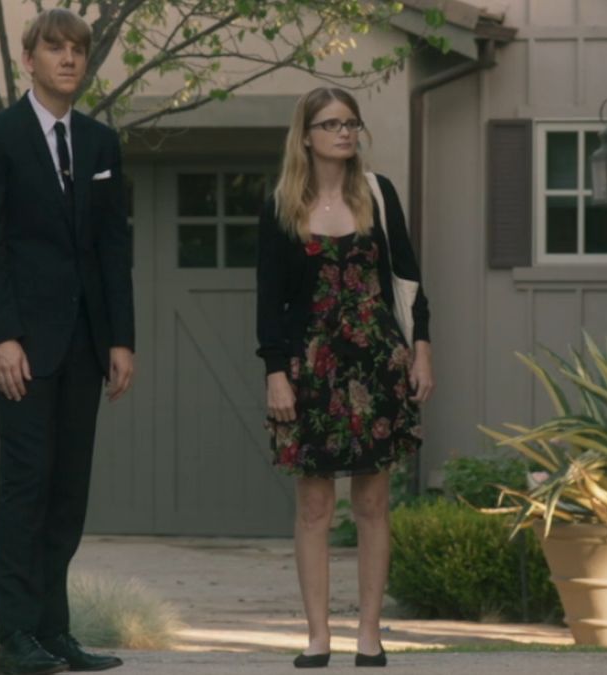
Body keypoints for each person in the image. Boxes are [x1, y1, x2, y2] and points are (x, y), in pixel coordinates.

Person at [0, 8, 135, 675]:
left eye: (77, 50)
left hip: (87, 344)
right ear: (28, 60)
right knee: (26, 485)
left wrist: (123, 338)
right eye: (54, 48)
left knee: (68, 489)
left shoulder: (99, 144)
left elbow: (115, 247)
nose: (68, 59)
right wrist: (1, 335)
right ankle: (15, 639)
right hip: (24, 348)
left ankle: (54, 632)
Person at [255, 87, 434, 669]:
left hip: (377, 363)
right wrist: (275, 372)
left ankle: (369, 634)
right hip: (311, 368)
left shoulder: (378, 195)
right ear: (305, 135)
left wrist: (422, 351)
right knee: (313, 506)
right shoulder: (281, 202)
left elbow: (408, 280)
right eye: (331, 124)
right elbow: (269, 301)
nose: (345, 133)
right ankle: (316, 636)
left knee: (373, 502)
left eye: (351, 122)